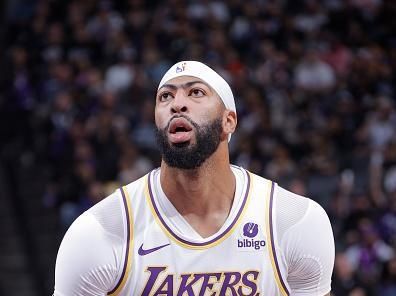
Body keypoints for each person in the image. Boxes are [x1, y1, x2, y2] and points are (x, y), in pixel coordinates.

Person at [54, 61, 335, 295]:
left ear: (229, 121)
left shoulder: (294, 220)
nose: (177, 104)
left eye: (196, 93)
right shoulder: (100, 232)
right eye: (165, 96)